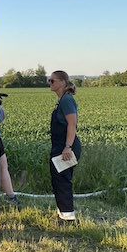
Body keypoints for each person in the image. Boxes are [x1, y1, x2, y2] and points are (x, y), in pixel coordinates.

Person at [48, 70, 81, 225]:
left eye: (52, 81)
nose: (49, 83)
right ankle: (62, 214)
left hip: (66, 147)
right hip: (60, 146)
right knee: (57, 180)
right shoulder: (61, 100)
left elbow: (72, 124)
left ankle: (68, 219)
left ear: (62, 82)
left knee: (62, 181)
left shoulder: (67, 100)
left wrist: (67, 147)